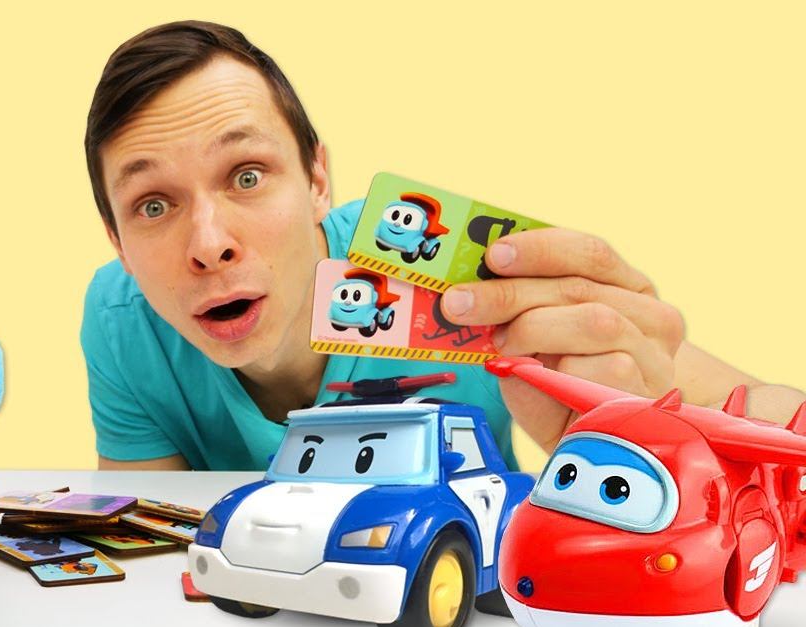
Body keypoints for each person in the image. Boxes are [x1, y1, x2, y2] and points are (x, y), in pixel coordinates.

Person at [80, 20, 804, 471]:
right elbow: (147, 555)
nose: (209, 245)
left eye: (247, 175)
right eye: (153, 205)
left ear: (317, 181)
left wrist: (660, 440)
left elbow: (774, 419)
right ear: (117, 241)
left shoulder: (444, 263)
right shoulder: (120, 322)